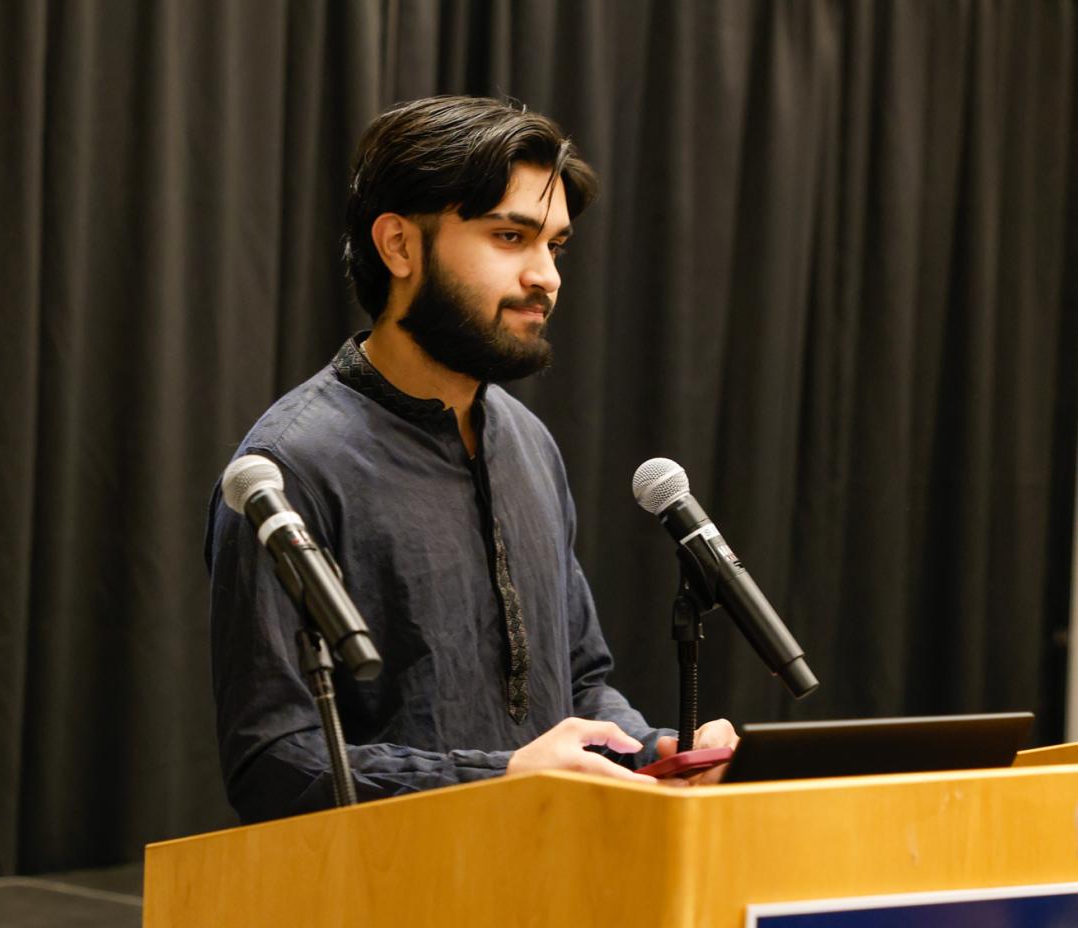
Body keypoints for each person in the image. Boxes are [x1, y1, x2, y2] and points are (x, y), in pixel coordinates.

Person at [206, 95, 736, 823]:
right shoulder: (292, 466)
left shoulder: (527, 441)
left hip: (545, 890)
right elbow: (273, 762)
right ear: (398, 246)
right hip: (384, 910)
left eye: (555, 245)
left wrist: (658, 749)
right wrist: (501, 777)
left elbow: (579, 686)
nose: (546, 276)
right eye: (511, 237)